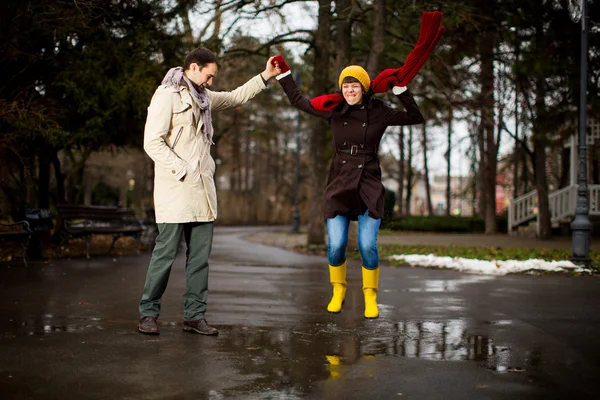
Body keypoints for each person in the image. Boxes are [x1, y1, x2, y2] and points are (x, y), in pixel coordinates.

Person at [138, 48, 282, 335]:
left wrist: (266, 75)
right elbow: (152, 142)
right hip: (175, 190)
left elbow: (236, 96)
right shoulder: (166, 95)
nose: (211, 82)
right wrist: (181, 170)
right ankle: (148, 313)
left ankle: (194, 315)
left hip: (203, 192)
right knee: (165, 256)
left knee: (200, 260)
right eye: (209, 75)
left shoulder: (205, 98)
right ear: (193, 67)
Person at [274, 59, 424, 319]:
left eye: (354, 86)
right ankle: (338, 289)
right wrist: (284, 75)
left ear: (364, 88)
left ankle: (370, 295)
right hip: (340, 182)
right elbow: (299, 102)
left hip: (368, 181)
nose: (350, 91)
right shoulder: (335, 110)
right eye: (346, 86)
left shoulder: (379, 111)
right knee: (336, 245)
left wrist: (401, 89)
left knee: (367, 246)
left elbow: (415, 117)